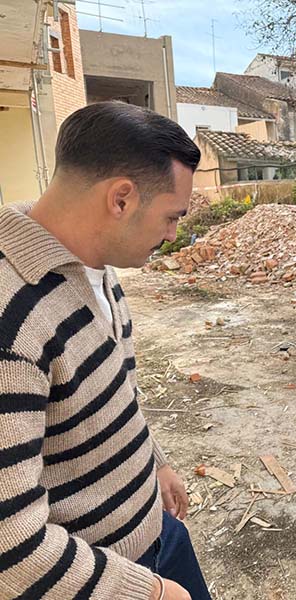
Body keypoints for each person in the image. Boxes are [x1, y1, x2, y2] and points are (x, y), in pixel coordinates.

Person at [0, 102, 211, 600]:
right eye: (171, 217)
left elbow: (118, 389)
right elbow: (11, 546)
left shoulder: (94, 265)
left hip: (157, 533)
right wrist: (149, 592)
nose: (173, 235)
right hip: (101, 581)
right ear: (121, 199)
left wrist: (155, 463)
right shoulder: (11, 320)